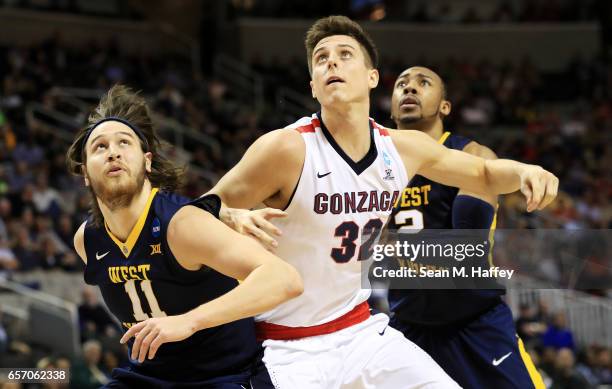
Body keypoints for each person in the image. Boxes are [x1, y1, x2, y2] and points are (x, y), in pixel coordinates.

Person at [209, 15, 558, 388]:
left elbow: (485, 174)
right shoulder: (284, 148)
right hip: (288, 343)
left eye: (345, 54)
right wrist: (227, 214)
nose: (331, 62)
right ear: (312, 86)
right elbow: (195, 212)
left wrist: (524, 171)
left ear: (372, 77)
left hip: (362, 331)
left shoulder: (403, 149)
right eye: (321, 58)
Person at [66, 85, 303, 388]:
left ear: (147, 161)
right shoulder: (86, 240)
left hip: (224, 376)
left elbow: (286, 280)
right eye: (100, 146)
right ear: (85, 172)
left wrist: (189, 321)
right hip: (147, 377)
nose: (113, 152)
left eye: (124, 143)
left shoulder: (181, 225)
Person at [384, 66, 546, 388]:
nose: (410, 89)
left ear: (445, 106)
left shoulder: (470, 154)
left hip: (474, 323)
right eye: (401, 84)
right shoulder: (376, 164)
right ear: (390, 107)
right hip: (409, 327)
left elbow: (467, 235)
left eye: (423, 83)